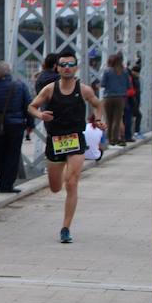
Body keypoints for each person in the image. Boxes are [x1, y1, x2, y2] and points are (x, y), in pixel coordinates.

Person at [28, 50, 105, 244]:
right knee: (55, 188)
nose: (67, 68)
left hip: (76, 138)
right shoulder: (50, 89)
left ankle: (65, 228)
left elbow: (98, 104)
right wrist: (40, 116)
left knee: (72, 183)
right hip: (55, 140)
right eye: (63, 65)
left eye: (71, 65)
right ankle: (62, 173)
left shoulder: (84, 89)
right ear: (58, 68)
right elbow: (32, 106)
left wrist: (97, 119)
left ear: (76, 67)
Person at [0, 61, 34, 193]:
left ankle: (2, 183)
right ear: (9, 71)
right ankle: (8, 184)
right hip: (16, 125)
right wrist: (30, 124)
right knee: (13, 154)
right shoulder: (20, 86)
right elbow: (28, 106)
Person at [101, 52, 130, 147]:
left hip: (108, 98)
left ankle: (109, 139)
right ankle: (115, 138)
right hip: (120, 98)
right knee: (117, 120)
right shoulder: (125, 71)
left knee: (108, 119)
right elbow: (128, 86)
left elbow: (103, 84)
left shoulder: (107, 71)